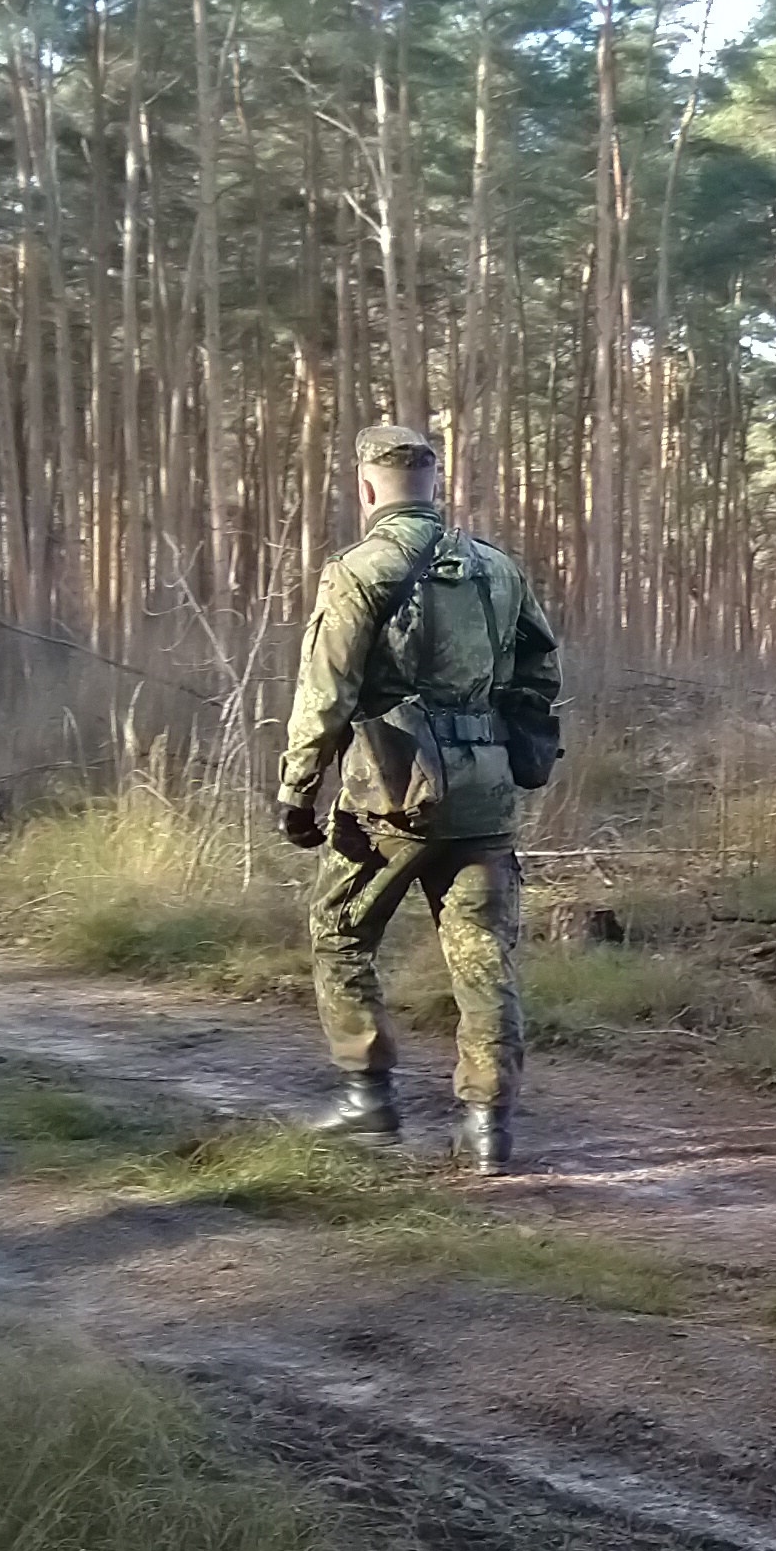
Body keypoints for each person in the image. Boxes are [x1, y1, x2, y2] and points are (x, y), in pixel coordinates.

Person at [276, 422, 566, 1172]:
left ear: (367, 487)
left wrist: (298, 790)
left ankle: (367, 1100)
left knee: (339, 928)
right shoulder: (498, 569)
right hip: (486, 793)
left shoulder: (359, 569)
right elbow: (540, 675)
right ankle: (487, 1127)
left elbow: (326, 695)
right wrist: (513, 747)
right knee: (481, 954)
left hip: (392, 795)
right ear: (435, 483)